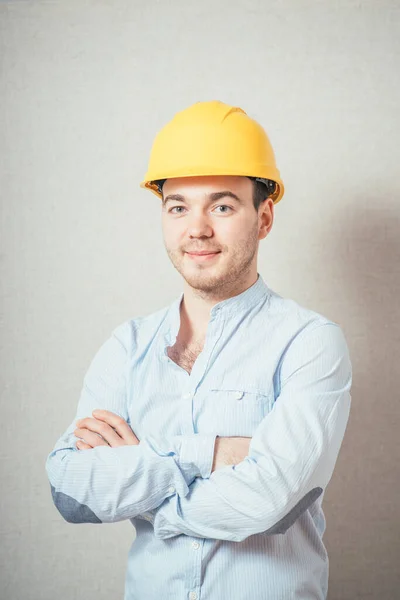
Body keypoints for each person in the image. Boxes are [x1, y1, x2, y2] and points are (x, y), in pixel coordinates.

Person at [45, 100, 352, 600]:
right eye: (178, 206)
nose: (197, 229)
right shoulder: (128, 346)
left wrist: (139, 478)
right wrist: (212, 454)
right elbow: (70, 490)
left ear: (265, 216)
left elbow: (268, 503)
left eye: (223, 205)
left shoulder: (311, 342)